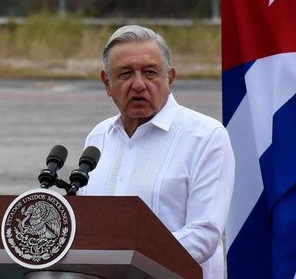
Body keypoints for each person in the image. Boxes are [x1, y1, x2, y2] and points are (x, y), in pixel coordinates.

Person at [76, 25, 235, 279]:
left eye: (150, 73)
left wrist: (126, 259)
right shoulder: (99, 137)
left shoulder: (206, 136)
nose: (139, 84)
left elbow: (203, 234)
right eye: (126, 74)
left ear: (169, 78)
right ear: (107, 83)